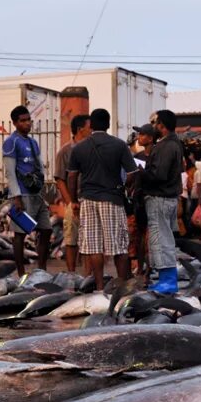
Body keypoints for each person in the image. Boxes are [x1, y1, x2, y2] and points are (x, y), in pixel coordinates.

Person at [67, 108, 137, 291]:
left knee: (94, 245)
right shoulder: (119, 145)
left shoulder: (79, 147)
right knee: (119, 246)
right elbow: (132, 174)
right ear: (107, 124)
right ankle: (121, 286)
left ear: (91, 125)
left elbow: (72, 177)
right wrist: (124, 187)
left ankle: (99, 287)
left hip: (87, 200)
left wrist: (74, 200)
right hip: (112, 199)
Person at [139, 110, 183, 293]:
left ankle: (168, 281)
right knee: (165, 238)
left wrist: (140, 173)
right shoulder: (175, 143)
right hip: (169, 198)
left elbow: (159, 174)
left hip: (160, 197)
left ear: (162, 125)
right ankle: (166, 278)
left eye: (155, 123)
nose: (153, 126)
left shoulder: (166, 146)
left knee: (161, 239)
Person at [3, 105, 51, 272]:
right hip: (22, 195)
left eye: (28, 120)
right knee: (20, 234)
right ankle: (21, 272)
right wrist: (16, 197)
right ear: (15, 123)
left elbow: (39, 167)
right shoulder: (11, 142)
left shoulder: (33, 142)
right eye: (22, 121)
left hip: (36, 194)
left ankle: (41, 269)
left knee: (46, 229)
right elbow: (10, 171)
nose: (27, 123)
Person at [54, 114, 91, 272]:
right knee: (71, 239)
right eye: (90, 127)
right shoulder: (65, 151)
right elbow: (60, 179)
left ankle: (89, 275)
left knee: (90, 240)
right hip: (73, 201)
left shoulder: (92, 148)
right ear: (80, 129)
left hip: (90, 199)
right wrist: (70, 202)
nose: (92, 130)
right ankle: (71, 273)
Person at [127, 123, 156, 276]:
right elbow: (131, 179)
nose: (139, 137)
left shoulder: (157, 156)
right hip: (138, 202)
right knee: (138, 238)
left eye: (142, 134)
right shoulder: (137, 157)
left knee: (150, 240)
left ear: (150, 138)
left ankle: (148, 271)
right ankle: (140, 269)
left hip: (152, 200)